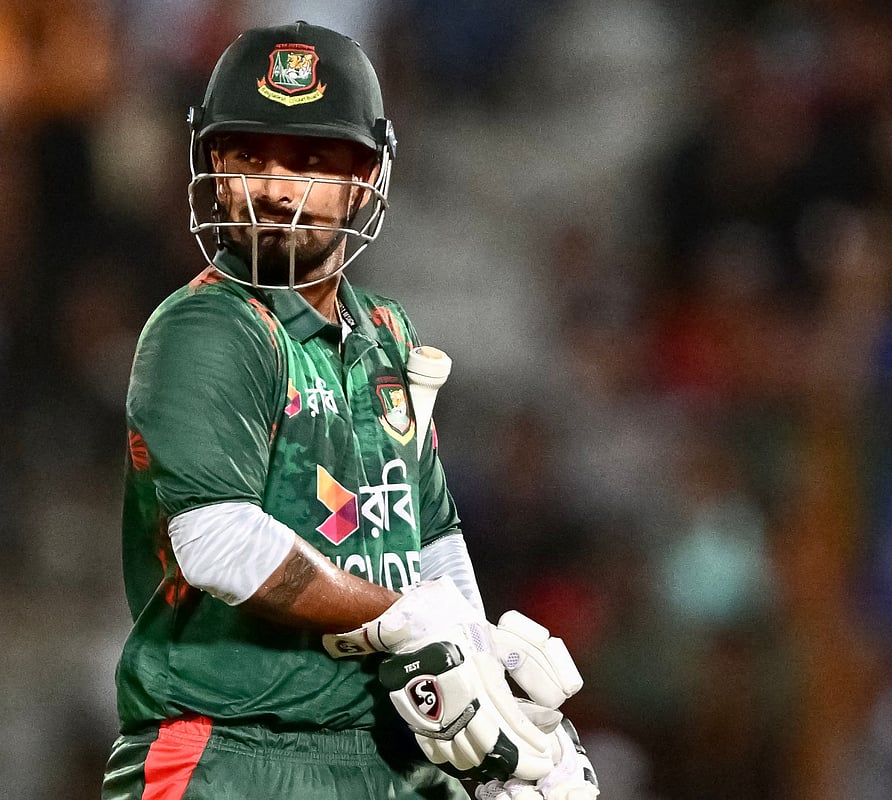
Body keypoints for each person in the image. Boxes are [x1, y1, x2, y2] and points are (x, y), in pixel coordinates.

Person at [101, 21, 598, 800]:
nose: (275, 186)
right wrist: (404, 619)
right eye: (249, 156)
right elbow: (215, 540)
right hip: (232, 756)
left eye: (310, 161)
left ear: (366, 177)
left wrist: (483, 671)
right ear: (212, 168)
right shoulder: (209, 325)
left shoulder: (388, 333)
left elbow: (431, 538)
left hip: (386, 759)